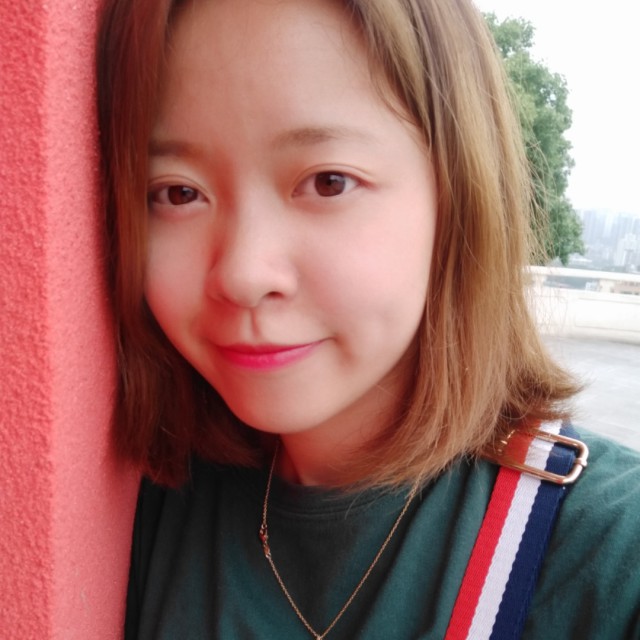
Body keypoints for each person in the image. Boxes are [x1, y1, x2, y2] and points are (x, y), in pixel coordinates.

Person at [96, 0, 640, 638]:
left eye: (328, 182)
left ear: (457, 195)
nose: (242, 274)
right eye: (178, 193)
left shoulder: (612, 554)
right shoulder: (141, 502)